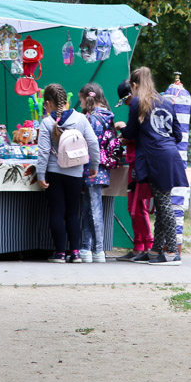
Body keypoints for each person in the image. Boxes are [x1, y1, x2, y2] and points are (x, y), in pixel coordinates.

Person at [120, 66, 189, 265]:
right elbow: (177, 134)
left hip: (154, 157)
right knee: (161, 202)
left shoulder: (137, 103)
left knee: (164, 204)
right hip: (169, 155)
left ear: (134, 85)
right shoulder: (166, 101)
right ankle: (156, 250)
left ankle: (173, 253)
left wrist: (124, 133)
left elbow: (131, 132)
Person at [36, 83, 100, 264]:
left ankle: (59, 253)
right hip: (76, 172)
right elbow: (93, 143)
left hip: (54, 173)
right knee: (73, 212)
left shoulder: (47, 123)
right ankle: (75, 252)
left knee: (57, 212)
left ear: (48, 103)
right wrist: (94, 164)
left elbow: (43, 153)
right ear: (66, 100)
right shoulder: (81, 119)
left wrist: (41, 176)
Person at [113, 81, 155, 262]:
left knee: (139, 206)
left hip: (139, 163)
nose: (128, 103)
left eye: (127, 100)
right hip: (133, 163)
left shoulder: (138, 107)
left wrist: (122, 129)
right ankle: (138, 246)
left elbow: (132, 134)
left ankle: (149, 246)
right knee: (133, 206)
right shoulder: (141, 107)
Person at [77, 82, 114, 263]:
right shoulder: (108, 117)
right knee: (90, 207)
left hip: (91, 167)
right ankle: (89, 248)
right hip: (103, 168)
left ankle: (94, 249)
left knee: (92, 209)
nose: (81, 104)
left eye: (81, 100)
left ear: (86, 98)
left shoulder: (90, 119)